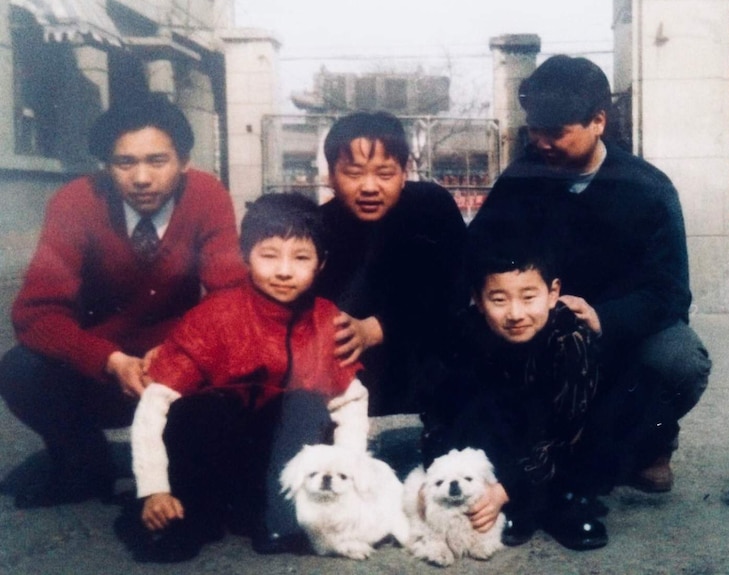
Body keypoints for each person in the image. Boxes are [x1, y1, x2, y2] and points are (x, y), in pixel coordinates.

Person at [468, 55, 711, 493]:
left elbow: (670, 291)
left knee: (679, 359)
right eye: (534, 131)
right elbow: (479, 252)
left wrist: (605, 317)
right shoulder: (522, 178)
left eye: (556, 132)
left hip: (617, 328)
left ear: (598, 121)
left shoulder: (648, 189)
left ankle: (652, 440)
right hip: (538, 322)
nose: (541, 142)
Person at [0, 95, 247, 508]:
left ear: (184, 161)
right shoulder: (75, 202)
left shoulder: (206, 195)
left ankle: (184, 452)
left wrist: (179, 349)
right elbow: (36, 313)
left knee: (244, 353)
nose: (142, 178)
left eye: (157, 160)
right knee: (21, 369)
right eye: (124, 163)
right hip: (97, 369)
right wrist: (109, 360)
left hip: (176, 362)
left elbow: (230, 293)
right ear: (106, 167)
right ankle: (81, 457)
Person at [125, 193, 369, 562]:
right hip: (217, 454)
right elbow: (155, 402)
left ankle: (276, 516)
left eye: (301, 258)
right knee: (201, 408)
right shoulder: (216, 316)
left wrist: (349, 475)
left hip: (272, 464)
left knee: (304, 404)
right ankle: (190, 514)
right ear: (245, 256)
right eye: (269, 255)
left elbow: (351, 401)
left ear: (321, 264)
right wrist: (154, 488)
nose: (284, 271)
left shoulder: (325, 320)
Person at [420, 236, 607, 551]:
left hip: (561, 444)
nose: (515, 313)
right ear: (478, 301)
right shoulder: (465, 332)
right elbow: (439, 414)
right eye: (499, 299)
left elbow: (566, 430)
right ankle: (517, 501)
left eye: (528, 297)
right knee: (475, 406)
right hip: (502, 441)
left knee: (589, 431)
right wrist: (435, 473)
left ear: (553, 293)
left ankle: (561, 499)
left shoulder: (569, 339)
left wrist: (506, 489)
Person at [316, 111, 468, 416]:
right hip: (350, 391)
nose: (369, 187)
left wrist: (376, 328)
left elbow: (457, 292)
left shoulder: (432, 208)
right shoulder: (319, 228)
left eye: (384, 173)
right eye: (354, 173)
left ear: (404, 172)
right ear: (331, 175)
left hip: (434, 380)